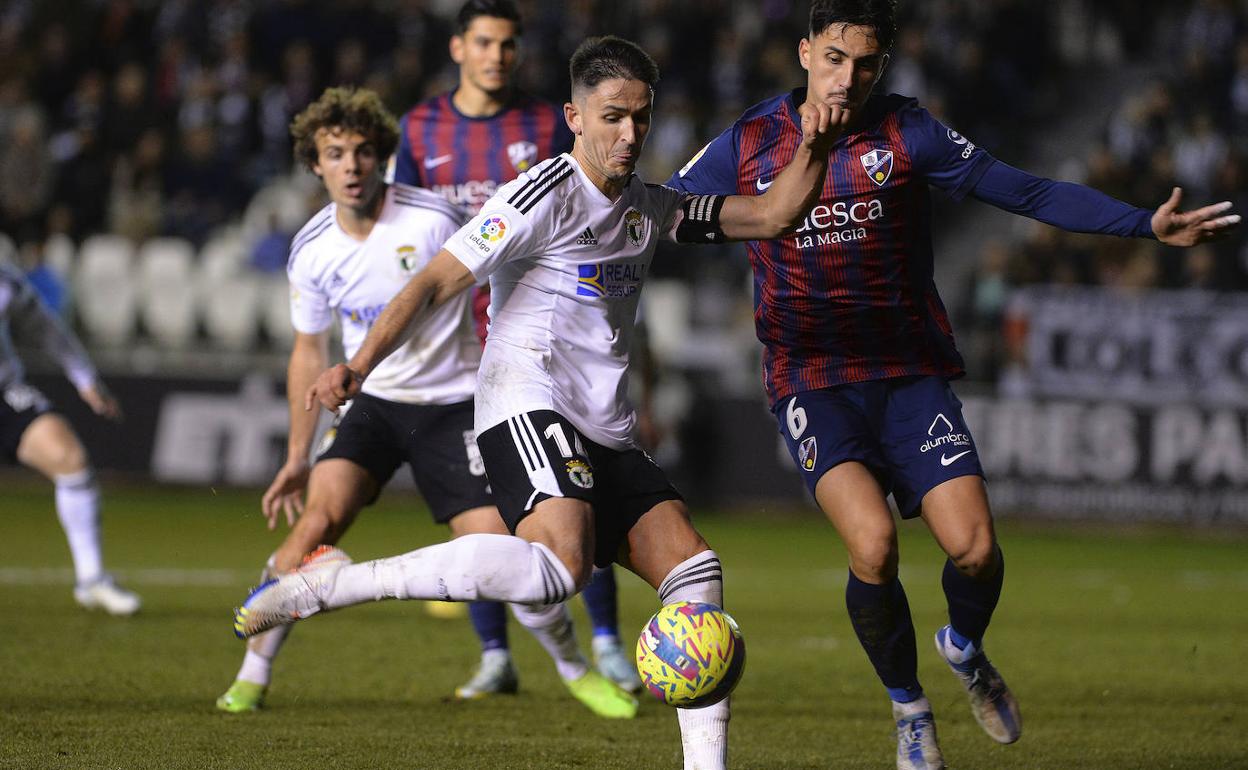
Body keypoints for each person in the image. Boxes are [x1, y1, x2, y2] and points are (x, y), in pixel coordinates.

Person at [233, 36, 843, 770]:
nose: (628, 134)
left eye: (640, 119)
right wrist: (357, 365)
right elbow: (434, 281)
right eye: (612, 116)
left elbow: (773, 215)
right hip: (525, 400)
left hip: (606, 426)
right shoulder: (540, 194)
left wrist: (817, 140)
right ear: (574, 117)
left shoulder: (652, 207)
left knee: (697, 576)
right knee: (561, 566)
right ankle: (336, 583)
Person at [665, 2, 1241, 768]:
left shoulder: (909, 134)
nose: (848, 78)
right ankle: (909, 708)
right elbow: (661, 212)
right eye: (835, 58)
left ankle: (964, 649)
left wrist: (1145, 226)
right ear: (805, 53)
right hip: (811, 378)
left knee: (974, 551)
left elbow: (1028, 193)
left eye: (866, 63)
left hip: (908, 374)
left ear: (885, 65)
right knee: (872, 547)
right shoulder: (747, 142)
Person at [216, 86, 637, 720]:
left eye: (362, 152)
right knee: (313, 528)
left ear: (382, 157)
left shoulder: (434, 217)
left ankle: (573, 669)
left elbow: (490, 288)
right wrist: (297, 454)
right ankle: (252, 675)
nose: (351, 166)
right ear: (315, 164)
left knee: (510, 554)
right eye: (335, 154)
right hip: (377, 404)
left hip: (453, 404)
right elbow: (309, 352)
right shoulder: (311, 249)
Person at [391, 0, 640, 700]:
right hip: (459, 344)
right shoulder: (418, 127)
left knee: (580, 488)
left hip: (543, 338)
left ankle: (610, 645)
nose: (497, 55)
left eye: (508, 44)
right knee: (487, 505)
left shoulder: (549, 123)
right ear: (458, 48)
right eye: (484, 43)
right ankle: (497, 653)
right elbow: (405, 234)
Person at [0, 258, 139, 616]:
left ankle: (92, 579)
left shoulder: (5, 282)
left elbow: (45, 329)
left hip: (4, 395)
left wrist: (84, 378)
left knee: (69, 459)